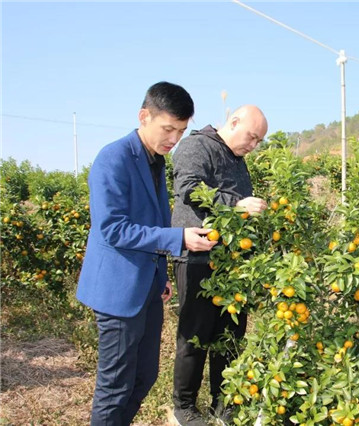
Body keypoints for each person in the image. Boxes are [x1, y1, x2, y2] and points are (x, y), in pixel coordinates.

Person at [76, 81, 217, 425]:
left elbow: (151, 219)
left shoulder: (156, 161)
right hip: (117, 290)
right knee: (115, 387)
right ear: (144, 116)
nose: (174, 139)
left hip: (146, 287)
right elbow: (112, 228)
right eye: (168, 129)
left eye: (180, 131)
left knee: (145, 377)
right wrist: (178, 239)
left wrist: (161, 276)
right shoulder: (115, 158)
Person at [170, 105, 269, 425]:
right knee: (195, 335)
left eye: (259, 141)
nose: (253, 145)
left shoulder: (238, 160)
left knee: (229, 335)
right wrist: (236, 204)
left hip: (233, 262)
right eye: (251, 137)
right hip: (198, 255)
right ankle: (183, 406)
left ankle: (223, 402)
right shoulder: (196, 146)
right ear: (234, 122)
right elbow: (188, 187)